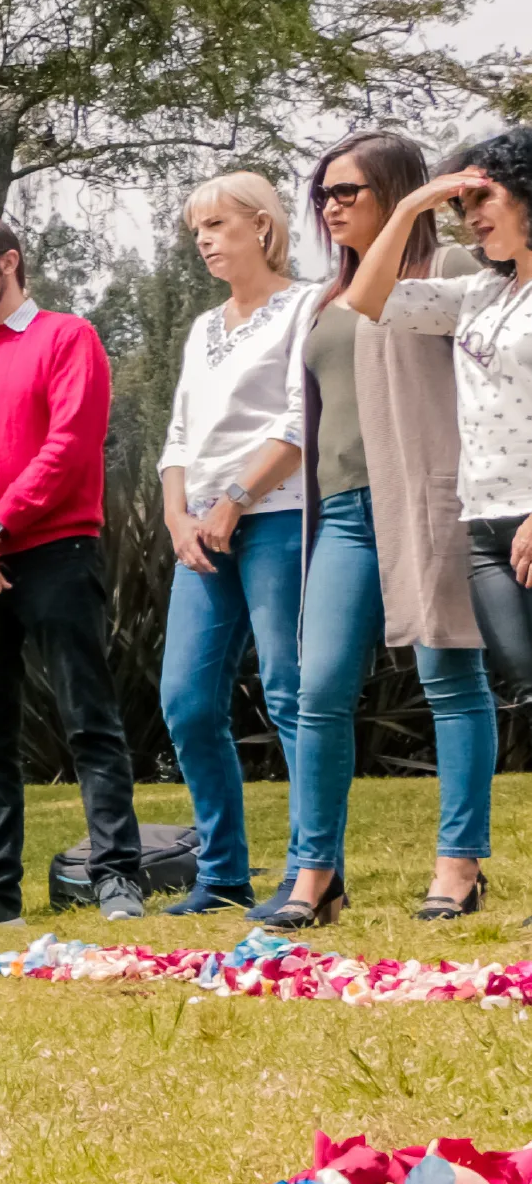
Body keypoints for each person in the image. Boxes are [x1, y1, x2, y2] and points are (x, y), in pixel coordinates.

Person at [268, 132, 494, 927]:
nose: (328, 208)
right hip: (341, 513)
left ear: (397, 193)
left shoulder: (453, 273)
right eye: (322, 195)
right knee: (317, 689)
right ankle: (314, 877)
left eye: (347, 193)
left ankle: (457, 865)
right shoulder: (325, 299)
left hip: (425, 500)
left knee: (450, 681)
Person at [0, 215, 139, 929]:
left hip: (54, 551)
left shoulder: (67, 338)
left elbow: (70, 443)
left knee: (87, 720)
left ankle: (116, 875)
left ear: (9, 262)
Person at [339, 125, 532, 915]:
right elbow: (367, 297)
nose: (470, 217)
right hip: (481, 523)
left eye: (481, 197)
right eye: (462, 203)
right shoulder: (478, 292)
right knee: (524, 689)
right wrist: (418, 198)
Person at [148, 181, 314, 917]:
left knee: (289, 693)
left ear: (261, 225)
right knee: (184, 701)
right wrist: (177, 517)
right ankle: (220, 874)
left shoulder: (306, 306)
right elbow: (178, 434)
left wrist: (235, 498)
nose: (204, 241)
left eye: (215, 225)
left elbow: (299, 418)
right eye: (196, 232)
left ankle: (312, 871)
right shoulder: (200, 327)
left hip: (274, 514)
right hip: (200, 532)